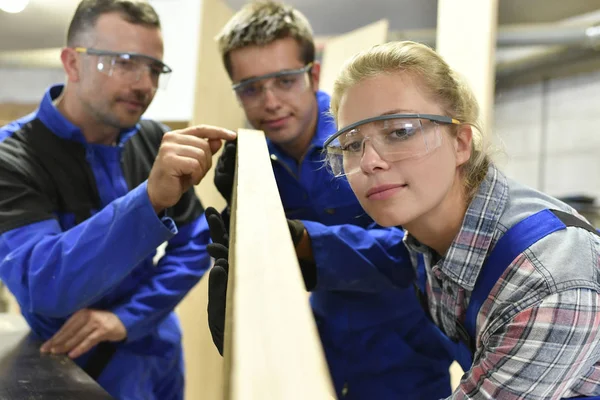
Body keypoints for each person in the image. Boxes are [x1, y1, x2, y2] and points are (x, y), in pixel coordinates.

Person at [320, 40, 600, 398]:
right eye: (352, 144)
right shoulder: (431, 238)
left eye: (400, 131)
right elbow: (384, 254)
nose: (369, 161)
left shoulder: (547, 281)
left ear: (461, 142)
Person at [205, 2, 455, 399]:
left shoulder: (366, 136)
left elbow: (415, 246)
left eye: (284, 80)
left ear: (312, 74)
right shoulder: (257, 160)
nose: (269, 101)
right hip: (322, 339)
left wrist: (306, 241)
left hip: (404, 347)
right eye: (251, 88)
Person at [0, 1, 235, 399]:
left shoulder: (151, 140)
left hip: (157, 354)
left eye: (154, 68)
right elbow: (42, 284)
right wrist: (148, 201)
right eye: (125, 62)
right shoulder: (13, 157)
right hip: (70, 366)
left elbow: (197, 241)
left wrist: (128, 317)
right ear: (72, 64)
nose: (144, 84)